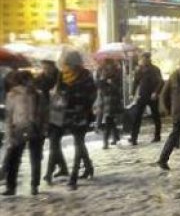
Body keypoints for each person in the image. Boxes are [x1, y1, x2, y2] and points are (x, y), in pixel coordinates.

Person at [50, 51, 97, 189]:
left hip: (81, 114)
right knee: (79, 144)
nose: (64, 66)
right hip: (64, 114)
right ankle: (88, 167)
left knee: (78, 143)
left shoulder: (85, 75)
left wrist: (78, 100)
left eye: (67, 63)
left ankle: (74, 177)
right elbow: (58, 92)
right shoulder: (61, 75)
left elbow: (92, 95)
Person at [3, 71, 47, 196]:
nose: (30, 82)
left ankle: (32, 185)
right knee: (16, 159)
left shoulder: (38, 95)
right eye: (28, 79)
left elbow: (44, 113)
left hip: (32, 128)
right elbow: (9, 116)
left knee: (33, 159)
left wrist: (43, 128)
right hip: (21, 128)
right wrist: (9, 134)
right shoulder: (13, 94)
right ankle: (13, 186)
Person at [129, 52, 163, 145]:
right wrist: (132, 93)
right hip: (142, 95)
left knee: (156, 116)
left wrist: (156, 92)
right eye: (142, 59)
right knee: (137, 116)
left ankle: (157, 135)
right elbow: (136, 82)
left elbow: (160, 82)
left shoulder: (155, 69)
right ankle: (133, 137)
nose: (143, 61)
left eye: (144, 59)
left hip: (152, 96)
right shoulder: (139, 70)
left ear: (148, 59)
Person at [96, 59, 123, 149]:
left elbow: (118, 89)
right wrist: (103, 79)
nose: (108, 68)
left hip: (113, 100)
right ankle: (116, 136)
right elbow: (98, 85)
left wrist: (111, 84)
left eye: (110, 66)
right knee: (110, 120)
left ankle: (105, 141)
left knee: (108, 120)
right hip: (105, 101)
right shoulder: (102, 73)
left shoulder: (117, 74)